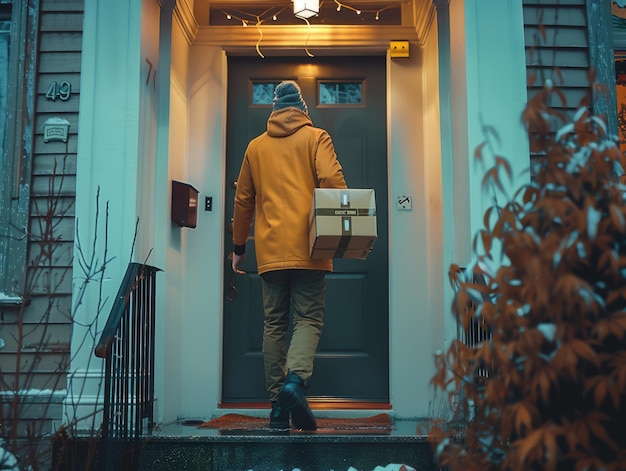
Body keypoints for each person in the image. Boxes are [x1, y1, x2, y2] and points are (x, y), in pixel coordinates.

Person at [231, 80, 347, 430]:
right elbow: (331, 180)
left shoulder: (255, 147)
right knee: (308, 319)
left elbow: (243, 201)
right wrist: (335, 216)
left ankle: (278, 408)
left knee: (274, 324)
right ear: (302, 109)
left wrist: (238, 247)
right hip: (310, 247)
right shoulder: (316, 138)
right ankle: (295, 382)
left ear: (274, 110)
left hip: (269, 252)